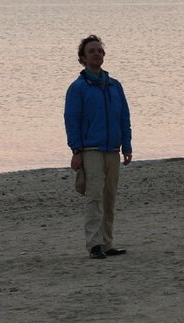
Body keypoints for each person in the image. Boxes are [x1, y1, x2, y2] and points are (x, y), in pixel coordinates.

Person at [64, 34, 133, 259]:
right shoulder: (78, 88)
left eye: (99, 50)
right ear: (82, 58)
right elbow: (71, 119)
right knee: (94, 196)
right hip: (91, 149)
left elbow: (124, 116)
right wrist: (76, 150)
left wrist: (127, 145)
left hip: (112, 149)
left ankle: (107, 242)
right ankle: (94, 245)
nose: (96, 54)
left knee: (109, 197)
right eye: (91, 51)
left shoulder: (114, 86)